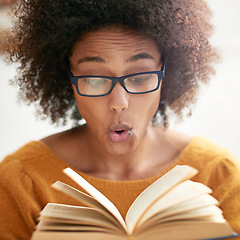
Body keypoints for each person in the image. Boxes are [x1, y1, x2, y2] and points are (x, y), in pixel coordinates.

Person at [0, 0, 240, 239]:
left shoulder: (217, 173)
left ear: (166, 73)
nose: (119, 102)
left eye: (140, 76)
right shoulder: (22, 181)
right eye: (94, 78)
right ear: (68, 78)